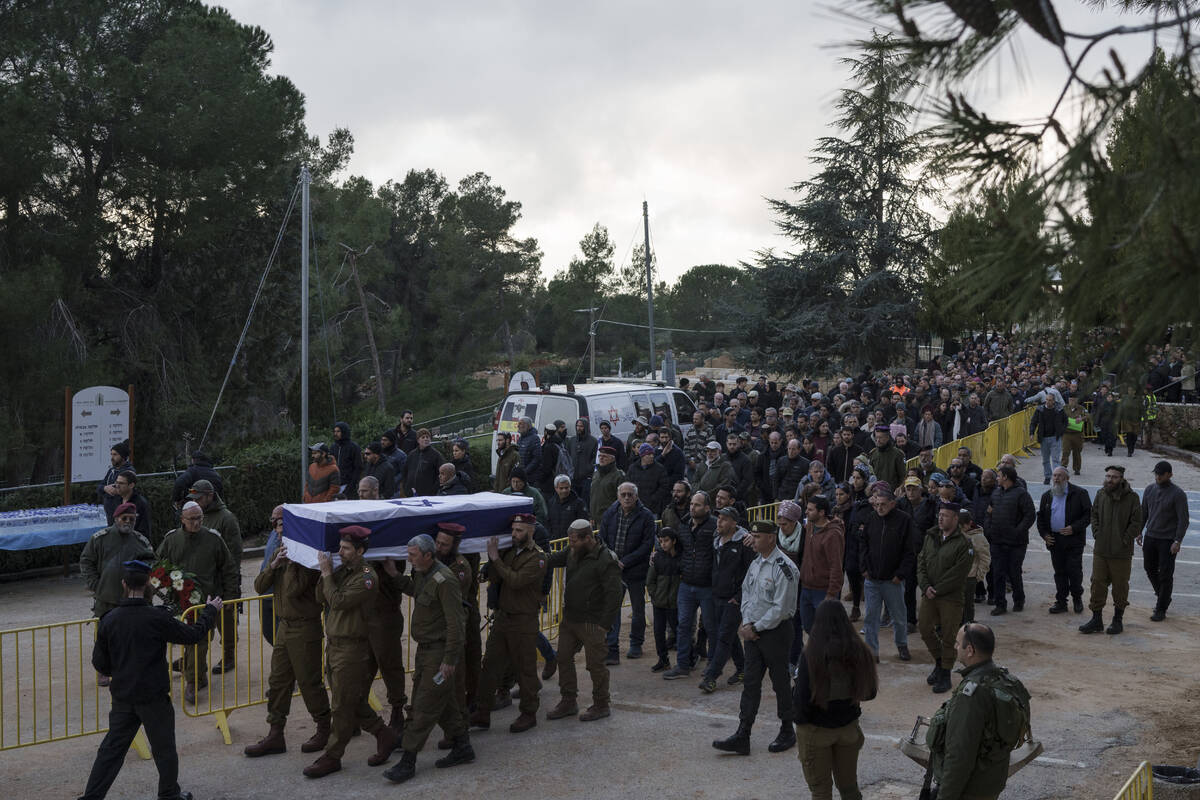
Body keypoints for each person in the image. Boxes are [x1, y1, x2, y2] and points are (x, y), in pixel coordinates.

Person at [78, 561, 221, 800]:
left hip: (124, 695)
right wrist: (209, 611)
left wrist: (122, 671)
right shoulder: (156, 617)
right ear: (148, 586)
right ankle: (168, 794)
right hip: (153, 695)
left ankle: (91, 797)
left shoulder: (109, 619)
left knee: (111, 750)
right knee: (164, 748)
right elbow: (193, 635)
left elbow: (100, 663)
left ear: (123, 584)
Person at [302, 527, 396, 778]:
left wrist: (326, 573)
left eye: (345, 548)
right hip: (334, 645)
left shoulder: (367, 577)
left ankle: (333, 756)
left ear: (360, 551)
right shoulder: (342, 571)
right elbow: (320, 597)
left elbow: (339, 601)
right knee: (349, 700)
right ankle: (383, 733)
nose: (340, 552)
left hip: (352, 649)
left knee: (342, 706)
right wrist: (327, 575)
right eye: (340, 547)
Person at [382, 534, 472, 784]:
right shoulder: (422, 573)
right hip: (425, 651)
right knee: (442, 702)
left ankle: (408, 761)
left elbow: (456, 624)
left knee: (423, 704)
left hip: (440, 653)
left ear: (428, 555)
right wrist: (393, 575)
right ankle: (463, 746)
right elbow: (417, 592)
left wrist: (450, 659)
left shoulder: (446, 580)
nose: (408, 559)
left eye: (412, 555)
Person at [712, 519, 799, 756]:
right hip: (754, 631)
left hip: (775, 633)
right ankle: (743, 733)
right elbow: (747, 593)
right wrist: (747, 622)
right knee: (750, 683)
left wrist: (756, 626)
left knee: (780, 682)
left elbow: (781, 608)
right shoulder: (756, 563)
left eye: (758, 536)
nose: (753, 540)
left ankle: (787, 729)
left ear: (771, 537)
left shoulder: (785, 568)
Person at [243, 535, 331, 758]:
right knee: (278, 681)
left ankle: (323, 727)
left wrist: (291, 564)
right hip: (284, 625)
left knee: (309, 682)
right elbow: (259, 586)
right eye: (276, 525)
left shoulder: (308, 559)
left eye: (282, 525)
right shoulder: (280, 554)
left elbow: (293, 589)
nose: (279, 531)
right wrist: (273, 566)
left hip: (305, 627)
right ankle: (275, 733)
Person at [926, 624, 1031, 800]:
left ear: (970, 650)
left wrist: (945, 796)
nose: (954, 647)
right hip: (990, 783)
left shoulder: (972, 695)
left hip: (969, 789)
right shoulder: (1007, 681)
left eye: (958, 644)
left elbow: (960, 756)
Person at [791, 599, 878, 800]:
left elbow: (801, 700)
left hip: (816, 731)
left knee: (820, 792)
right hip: (848, 730)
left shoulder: (811, 654)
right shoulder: (860, 650)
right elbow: (870, 692)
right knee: (849, 788)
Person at [469, 514, 547, 734]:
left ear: (531, 531)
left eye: (519, 530)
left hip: (523, 620)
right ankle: (482, 711)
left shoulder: (538, 558)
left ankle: (529, 713)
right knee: (490, 665)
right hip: (503, 617)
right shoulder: (509, 550)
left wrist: (495, 559)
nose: (514, 534)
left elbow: (516, 581)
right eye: (513, 530)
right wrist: (489, 568)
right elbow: (498, 577)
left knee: (525, 669)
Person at [156, 502, 240, 703]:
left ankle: (193, 681)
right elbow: (158, 567)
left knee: (200, 640)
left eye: (199, 519)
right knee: (191, 640)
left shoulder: (213, 539)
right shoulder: (171, 540)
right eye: (192, 519)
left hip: (208, 600)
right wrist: (165, 592)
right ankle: (195, 673)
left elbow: (229, 568)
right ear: (182, 519)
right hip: (181, 602)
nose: (196, 523)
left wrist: (229, 596)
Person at [544, 519, 623, 722]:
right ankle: (568, 701)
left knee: (595, 665)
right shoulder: (572, 552)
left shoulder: (605, 559)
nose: (570, 545)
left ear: (588, 538)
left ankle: (601, 704)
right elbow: (551, 559)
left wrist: (604, 625)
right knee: (563, 657)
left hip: (592, 622)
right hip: (570, 618)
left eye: (574, 541)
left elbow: (615, 593)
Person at [856, 482, 917, 663]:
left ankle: (902, 645)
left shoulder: (904, 520)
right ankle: (872, 652)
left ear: (892, 503)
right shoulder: (870, 518)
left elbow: (909, 550)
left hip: (893, 580)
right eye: (877, 505)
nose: (879, 508)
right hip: (872, 579)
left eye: (883, 504)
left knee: (899, 617)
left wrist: (901, 574)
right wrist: (864, 568)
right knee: (871, 618)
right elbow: (863, 545)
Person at [918, 503, 975, 694]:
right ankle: (940, 662)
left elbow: (958, 573)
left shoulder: (964, 543)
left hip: (950, 597)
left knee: (949, 637)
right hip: (929, 594)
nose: (941, 518)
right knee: (925, 629)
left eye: (946, 516)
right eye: (940, 515)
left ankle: (945, 674)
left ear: (955, 519)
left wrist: (938, 589)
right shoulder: (931, 536)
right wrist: (925, 586)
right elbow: (922, 562)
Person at [1080, 465, 1143, 635]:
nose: (1110, 480)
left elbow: (1137, 522)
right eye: (1108, 476)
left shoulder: (1132, 498)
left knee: (1120, 587)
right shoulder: (1101, 494)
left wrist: (1124, 540)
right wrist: (1097, 533)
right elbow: (1094, 514)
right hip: (1101, 551)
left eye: (1114, 477)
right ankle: (1096, 619)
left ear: (1121, 479)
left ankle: (1117, 620)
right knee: (1097, 584)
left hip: (1121, 553)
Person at [698, 507, 755, 693]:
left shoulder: (744, 544)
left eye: (723, 519)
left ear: (733, 523)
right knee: (728, 636)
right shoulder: (717, 540)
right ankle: (743, 668)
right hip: (716, 596)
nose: (719, 522)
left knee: (723, 637)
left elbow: (750, 574)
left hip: (734, 599)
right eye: (719, 518)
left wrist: (738, 597)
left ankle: (711, 677)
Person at [598, 482, 656, 664]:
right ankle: (612, 649)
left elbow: (647, 545)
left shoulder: (646, 516)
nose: (626, 498)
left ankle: (636, 644)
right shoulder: (610, 513)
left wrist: (626, 561)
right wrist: (612, 559)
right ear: (618, 496)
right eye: (623, 494)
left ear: (636, 496)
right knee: (613, 610)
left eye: (630, 494)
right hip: (614, 570)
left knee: (638, 610)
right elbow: (602, 538)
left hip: (636, 571)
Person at [189, 479, 242, 674]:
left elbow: (235, 554)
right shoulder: (196, 515)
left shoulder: (226, 518)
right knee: (200, 622)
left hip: (222, 583)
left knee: (227, 623)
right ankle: (193, 659)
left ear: (210, 496)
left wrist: (231, 587)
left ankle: (229, 657)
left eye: (199, 498)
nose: (196, 501)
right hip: (201, 582)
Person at [665, 491, 718, 679]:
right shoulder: (684, 525)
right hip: (687, 583)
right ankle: (682, 665)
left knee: (711, 627)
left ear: (707, 508)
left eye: (697, 505)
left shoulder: (715, 526)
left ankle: (713, 665)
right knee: (683, 625)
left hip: (707, 586)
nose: (692, 507)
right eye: (692, 504)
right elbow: (678, 548)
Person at [1036, 467, 1092, 614]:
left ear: (1067, 478)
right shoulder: (1047, 495)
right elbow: (1040, 517)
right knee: (1059, 572)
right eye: (1054, 475)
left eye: (1059, 476)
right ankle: (1061, 601)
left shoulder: (1080, 494)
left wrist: (1074, 528)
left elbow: (1088, 515)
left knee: (1074, 571)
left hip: (1073, 540)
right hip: (1055, 540)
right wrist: (1044, 534)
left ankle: (1077, 599)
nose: (1056, 478)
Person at [1140, 460, 1190, 621]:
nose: (1158, 477)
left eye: (1161, 474)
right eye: (1156, 473)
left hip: (1168, 540)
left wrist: (1178, 541)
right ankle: (1163, 595)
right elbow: (1144, 513)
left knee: (1166, 574)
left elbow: (1184, 520)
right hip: (1151, 536)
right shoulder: (1149, 490)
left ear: (1170, 475)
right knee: (1149, 567)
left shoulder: (1178, 494)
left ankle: (1161, 608)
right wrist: (1138, 532)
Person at [986, 466, 1035, 615]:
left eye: (999, 476)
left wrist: (1017, 531)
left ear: (1006, 477)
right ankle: (1000, 604)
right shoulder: (996, 493)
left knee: (1014, 572)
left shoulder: (1021, 494)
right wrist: (989, 529)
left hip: (1016, 543)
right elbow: (988, 513)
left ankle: (1019, 600)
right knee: (998, 573)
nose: (997, 478)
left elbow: (1030, 516)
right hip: (997, 541)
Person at [798, 495, 845, 634]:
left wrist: (831, 595)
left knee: (826, 632)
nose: (806, 512)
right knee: (808, 627)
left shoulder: (833, 535)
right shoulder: (811, 526)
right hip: (806, 588)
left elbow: (836, 566)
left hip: (823, 591)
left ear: (822, 512)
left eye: (810, 510)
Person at [646, 528, 682, 673]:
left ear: (673, 541)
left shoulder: (681, 558)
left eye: (666, 541)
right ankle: (663, 659)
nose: (663, 544)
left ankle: (690, 657)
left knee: (679, 631)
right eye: (661, 541)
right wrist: (655, 596)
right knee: (658, 632)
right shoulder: (658, 558)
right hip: (659, 603)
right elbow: (650, 580)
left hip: (674, 603)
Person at [959, 509, 991, 624]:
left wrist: (979, 576)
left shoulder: (978, 537)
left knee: (968, 603)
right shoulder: (956, 534)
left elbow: (985, 558)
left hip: (970, 577)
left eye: (962, 527)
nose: (960, 529)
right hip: (956, 576)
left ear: (969, 524)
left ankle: (968, 623)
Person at [1029, 394, 1067, 485]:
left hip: (1055, 437)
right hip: (1044, 438)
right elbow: (1033, 422)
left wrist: (1061, 431)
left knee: (1055, 460)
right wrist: (1031, 433)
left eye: (1050, 400)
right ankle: (1047, 476)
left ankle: (1057, 479)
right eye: (1046, 400)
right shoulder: (1040, 409)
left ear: (1054, 401)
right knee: (1045, 460)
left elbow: (1065, 421)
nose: (1048, 402)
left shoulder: (1059, 409)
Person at [109, 470, 153, 544]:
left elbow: (144, 530)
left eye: (121, 483)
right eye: (116, 482)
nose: (117, 485)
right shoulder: (116, 499)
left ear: (131, 485)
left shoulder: (141, 503)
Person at [96, 441, 133, 523]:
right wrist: (105, 488)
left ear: (123, 456)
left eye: (115, 454)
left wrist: (106, 489)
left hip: (122, 514)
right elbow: (99, 487)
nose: (112, 457)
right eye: (111, 454)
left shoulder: (128, 472)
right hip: (110, 514)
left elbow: (116, 490)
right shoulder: (112, 470)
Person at [405, 429, 445, 497]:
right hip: (411, 494)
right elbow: (405, 472)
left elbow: (442, 474)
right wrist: (406, 487)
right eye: (423, 437)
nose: (425, 439)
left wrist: (433, 490)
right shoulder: (411, 455)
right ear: (418, 440)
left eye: (427, 437)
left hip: (429, 495)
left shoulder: (436, 455)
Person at [589, 446, 625, 522]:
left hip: (609, 520)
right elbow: (593, 496)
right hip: (595, 520)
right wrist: (591, 515)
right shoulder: (596, 474)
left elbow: (622, 500)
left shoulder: (618, 476)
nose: (601, 458)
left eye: (604, 456)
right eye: (600, 456)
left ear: (613, 459)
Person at [331, 422, 363, 498]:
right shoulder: (333, 447)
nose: (335, 434)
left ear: (344, 432)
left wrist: (351, 486)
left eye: (338, 431)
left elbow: (358, 468)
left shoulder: (354, 447)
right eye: (334, 431)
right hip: (335, 486)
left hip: (348, 486)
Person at [867, 425, 905, 490]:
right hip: (876, 492)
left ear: (887, 438)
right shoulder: (873, 453)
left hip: (891, 492)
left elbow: (902, 476)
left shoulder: (897, 454)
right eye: (876, 437)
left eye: (880, 438)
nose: (878, 440)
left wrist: (899, 489)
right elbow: (870, 474)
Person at [1060, 399, 1088, 476]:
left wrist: (1081, 419)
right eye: (1070, 400)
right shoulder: (1064, 408)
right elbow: (1059, 417)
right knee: (1065, 451)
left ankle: (1077, 469)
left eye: (1074, 400)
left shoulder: (1081, 408)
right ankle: (1063, 467)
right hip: (1067, 433)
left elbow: (1088, 416)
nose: (1072, 402)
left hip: (1077, 434)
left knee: (1077, 452)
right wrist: (1065, 421)